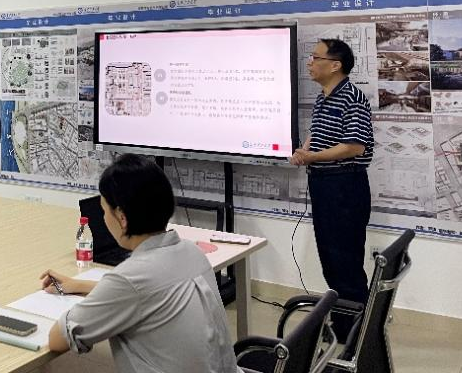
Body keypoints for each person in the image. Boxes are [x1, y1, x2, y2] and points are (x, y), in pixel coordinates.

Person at [39, 154, 240, 373]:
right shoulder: (191, 252)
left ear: (122, 217)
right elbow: (149, 292)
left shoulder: (130, 279)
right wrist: (78, 285)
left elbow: (58, 339)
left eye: (104, 211)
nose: (104, 219)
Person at [290, 38, 374, 333]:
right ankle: (343, 326)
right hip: (324, 185)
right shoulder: (324, 97)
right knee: (331, 259)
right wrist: (305, 150)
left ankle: (357, 334)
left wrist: (312, 157)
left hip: (344, 187)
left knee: (345, 261)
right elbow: (318, 133)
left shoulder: (352, 97)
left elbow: (354, 146)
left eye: (316, 58)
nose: (310, 63)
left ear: (335, 65)